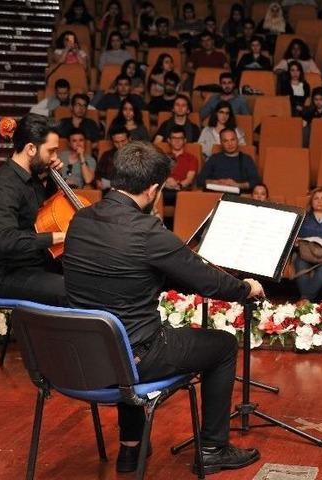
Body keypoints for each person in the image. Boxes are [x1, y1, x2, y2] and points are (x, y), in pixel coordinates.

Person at [63, 141, 262, 474]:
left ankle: (130, 449)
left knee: (122, 326)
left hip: (85, 355)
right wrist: (246, 289)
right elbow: (209, 282)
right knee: (224, 344)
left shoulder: (80, 220)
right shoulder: (148, 232)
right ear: (154, 189)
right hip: (134, 359)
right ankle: (213, 449)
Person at [0, 114, 67, 306]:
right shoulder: (2, 186)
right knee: (70, 292)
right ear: (30, 149)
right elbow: (7, 239)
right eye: (51, 151)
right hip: (7, 274)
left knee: (93, 283)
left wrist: (54, 179)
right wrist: (60, 237)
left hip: (36, 265)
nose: (55, 158)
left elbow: (43, 212)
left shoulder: (33, 179)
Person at [196, 128, 260, 192]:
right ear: (221, 143)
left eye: (233, 140)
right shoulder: (214, 158)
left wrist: (237, 185)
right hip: (216, 195)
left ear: (237, 140)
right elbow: (200, 180)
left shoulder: (246, 159)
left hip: (238, 196)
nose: (230, 144)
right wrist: (217, 182)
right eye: (226, 141)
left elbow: (256, 181)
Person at [162, 125, 198, 206]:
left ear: (185, 140)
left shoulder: (192, 158)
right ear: (169, 140)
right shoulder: (163, 157)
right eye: (174, 138)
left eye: (180, 138)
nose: (177, 141)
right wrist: (166, 183)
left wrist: (178, 185)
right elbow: (158, 175)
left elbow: (189, 179)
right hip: (164, 189)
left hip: (181, 190)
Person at [96, 126, 129, 190]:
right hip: (109, 192)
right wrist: (98, 181)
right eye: (116, 142)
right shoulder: (107, 155)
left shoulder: (136, 155)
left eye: (123, 141)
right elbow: (98, 174)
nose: (120, 145)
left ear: (129, 139)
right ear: (112, 142)